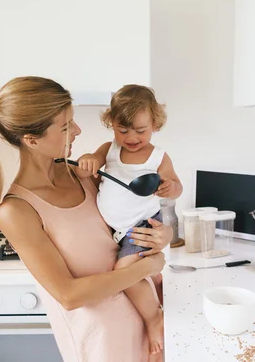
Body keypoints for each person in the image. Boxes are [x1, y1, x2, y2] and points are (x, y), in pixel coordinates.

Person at [0, 76, 172, 362]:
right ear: (31, 139)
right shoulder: (17, 210)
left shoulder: (82, 174)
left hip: (152, 330)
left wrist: (163, 236)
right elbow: (69, 295)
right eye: (65, 126)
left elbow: (131, 224)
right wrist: (147, 266)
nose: (77, 130)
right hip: (106, 346)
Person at [76, 84, 182, 355]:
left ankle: (153, 317)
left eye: (140, 130)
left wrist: (170, 186)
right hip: (119, 230)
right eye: (123, 130)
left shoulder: (158, 156)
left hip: (143, 224)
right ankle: (152, 286)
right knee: (127, 271)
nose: (132, 137)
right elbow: (92, 161)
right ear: (112, 124)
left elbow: (176, 185)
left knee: (124, 272)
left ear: (155, 125)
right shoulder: (109, 150)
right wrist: (89, 160)